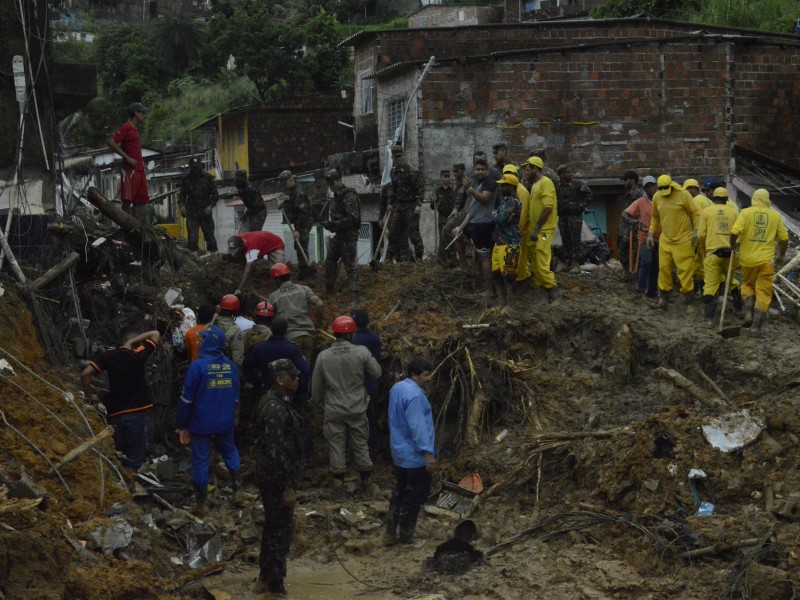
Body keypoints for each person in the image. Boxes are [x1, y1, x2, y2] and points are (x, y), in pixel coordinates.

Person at [311, 315, 382, 494]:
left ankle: (338, 484)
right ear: (351, 334)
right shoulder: (362, 352)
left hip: (334, 408)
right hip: (357, 407)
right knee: (360, 443)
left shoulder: (323, 356)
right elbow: (377, 374)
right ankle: (366, 481)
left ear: (334, 334)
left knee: (336, 444)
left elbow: (316, 387)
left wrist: (316, 403)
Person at [252, 359, 304, 596]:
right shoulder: (274, 407)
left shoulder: (278, 402)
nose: (297, 380)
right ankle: (275, 585)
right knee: (280, 532)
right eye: (293, 377)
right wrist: (288, 487)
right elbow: (276, 450)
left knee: (273, 527)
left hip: (273, 475)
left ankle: (265, 578)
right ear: (280, 380)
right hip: (276, 478)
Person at [175, 326, 240, 516]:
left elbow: (186, 399)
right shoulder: (231, 366)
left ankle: (201, 503)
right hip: (225, 422)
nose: (201, 341)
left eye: (204, 339)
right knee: (230, 451)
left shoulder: (198, 366)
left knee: (200, 460)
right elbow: (236, 397)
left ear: (209, 342)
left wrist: (182, 425)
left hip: (201, 423)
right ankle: (238, 491)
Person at [80, 328, 160, 476]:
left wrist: (89, 397)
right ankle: (128, 492)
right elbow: (155, 333)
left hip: (115, 416)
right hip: (137, 416)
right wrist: (132, 342)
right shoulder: (138, 354)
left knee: (116, 459)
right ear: (136, 344)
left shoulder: (108, 356)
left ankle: (117, 489)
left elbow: (85, 374)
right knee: (132, 461)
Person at [385, 356, 436, 546]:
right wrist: (428, 453)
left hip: (399, 452)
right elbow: (418, 426)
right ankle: (406, 538)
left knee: (399, 493)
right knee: (413, 498)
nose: (429, 378)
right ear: (414, 375)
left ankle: (390, 533)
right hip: (415, 456)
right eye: (426, 374)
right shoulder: (415, 396)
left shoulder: (397, 388)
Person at [730, 188, 789, 334]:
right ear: (767, 200)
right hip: (766, 261)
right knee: (763, 292)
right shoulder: (775, 215)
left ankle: (748, 312)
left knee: (747, 285)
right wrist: (781, 255)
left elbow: (734, 232)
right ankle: (756, 328)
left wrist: (731, 246)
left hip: (748, 260)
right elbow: (784, 238)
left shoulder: (745, 213)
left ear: (754, 199)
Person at [647, 174, 700, 310]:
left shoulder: (683, 195)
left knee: (685, 271)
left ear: (671, 185)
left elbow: (695, 213)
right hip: (666, 240)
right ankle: (663, 300)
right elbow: (654, 218)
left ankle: (688, 301)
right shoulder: (657, 197)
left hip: (683, 240)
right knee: (664, 270)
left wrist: (696, 231)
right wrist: (650, 234)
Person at [452, 156, 497, 297]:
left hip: (483, 225)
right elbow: (472, 211)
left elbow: (484, 200)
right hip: (474, 223)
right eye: (477, 169)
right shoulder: (478, 184)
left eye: (483, 170)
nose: (480, 172)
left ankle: (489, 290)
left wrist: (469, 189)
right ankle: (464, 267)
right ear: (473, 170)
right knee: (455, 232)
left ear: (487, 171)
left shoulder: (489, 183)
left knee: (484, 256)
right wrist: (461, 228)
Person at [697, 187, 743, 325]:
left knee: (710, 286)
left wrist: (704, 249)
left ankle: (709, 320)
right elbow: (738, 235)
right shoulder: (734, 213)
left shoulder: (706, 212)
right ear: (726, 199)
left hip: (712, 253)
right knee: (732, 281)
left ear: (713, 198)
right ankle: (740, 309)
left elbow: (700, 235)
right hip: (730, 254)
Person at [267, 262, 323, 364]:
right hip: (308, 336)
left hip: (290, 338)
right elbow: (320, 304)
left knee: (292, 371)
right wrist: (318, 323)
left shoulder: (274, 296)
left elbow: (271, 319)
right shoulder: (304, 289)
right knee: (306, 369)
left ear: (278, 280)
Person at [323, 169, 361, 301]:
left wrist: (335, 224)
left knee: (349, 265)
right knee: (330, 260)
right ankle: (329, 289)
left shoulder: (348, 195)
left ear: (339, 180)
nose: (331, 187)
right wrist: (331, 224)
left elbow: (353, 219)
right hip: (339, 235)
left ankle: (354, 294)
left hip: (349, 236)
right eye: (329, 184)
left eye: (333, 183)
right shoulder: (337, 197)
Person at [526, 156, 561, 302]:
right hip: (537, 229)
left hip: (544, 229)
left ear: (535, 168)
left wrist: (537, 228)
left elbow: (548, 207)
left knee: (541, 258)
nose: (526, 171)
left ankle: (553, 289)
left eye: (528, 168)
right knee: (534, 257)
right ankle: (542, 287)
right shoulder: (535, 184)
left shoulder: (545, 183)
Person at [108, 102, 149, 219]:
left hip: (139, 169)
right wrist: (127, 158)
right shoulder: (126, 127)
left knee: (138, 201)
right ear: (136, 113)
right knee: (127, 200)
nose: (144, 115)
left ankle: (138, 229)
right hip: (130, 169)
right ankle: (126, 227)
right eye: (143, 113)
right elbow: (111, 142)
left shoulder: (135, 130)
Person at [386, 146, 425, 262]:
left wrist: (418, 204)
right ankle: (388, 259)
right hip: (399, 206)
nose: (398, 159)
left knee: (414, 234)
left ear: (403, 156)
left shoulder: (412, 171)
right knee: (393, 233)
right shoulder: (393, 172)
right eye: (395, 157)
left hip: (411, 205)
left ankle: (419, 258)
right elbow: (392, 188)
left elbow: (420, 189)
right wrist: (390, 202)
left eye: (399, 156)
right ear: (392, 157)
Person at [352, 310, 382, 458]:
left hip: (357, 385)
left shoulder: (353, 340)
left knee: (358, 420)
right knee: (371, 417)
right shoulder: (375, 337)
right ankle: (373, 448)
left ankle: (360, 452)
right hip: (372, 383)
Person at [623, 176, 659, 298]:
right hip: (645, 237)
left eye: (652, 186)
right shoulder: (640, 202)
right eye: (647, 187)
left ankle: (652, 291)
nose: (650, 189)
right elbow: (626, 213)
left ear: (656, 186)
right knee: (646, 261)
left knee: (656, 264)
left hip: (661, 237)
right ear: (644, 188)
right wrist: (632, 221)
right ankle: (641, 288)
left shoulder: (662, 200)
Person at [278, 170, 316, 278]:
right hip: (298, 220)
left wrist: (298, 230)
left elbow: (303, 213)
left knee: (301, 242)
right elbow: (290, 201)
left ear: (290, 180)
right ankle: (303, 267)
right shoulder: (291, 190)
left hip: (304, 220)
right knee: (298, 244)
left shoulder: (299, 193)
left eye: (284, 184)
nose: (284, 187)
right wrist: (283, 203)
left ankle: (305, 271)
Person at [492, 173, 522, 309]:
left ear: (511, 187)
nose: (501, 187)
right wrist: (496, 215)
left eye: (504, 185)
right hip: (499, 243)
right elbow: (498, 216)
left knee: (509, 276)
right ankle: (502, 303)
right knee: (497, 273)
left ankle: (510, 305)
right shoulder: (504, 201)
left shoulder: (514, 202)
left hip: (511, 244)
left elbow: (500, 218)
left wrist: (495, 215)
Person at [178, 157, 219, 255]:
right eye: (193, 168)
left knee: (210, 237)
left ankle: (214, 258)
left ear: (201, 167)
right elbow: (182, 196)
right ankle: (194, 260)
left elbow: (215, 195)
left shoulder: (208, 178)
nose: (195, 170)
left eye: (197, 167)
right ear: (190, 168)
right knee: (192, 238)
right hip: (192, 213)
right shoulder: (186, 179)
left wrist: (210, 206)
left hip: (205, 212)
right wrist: (182, 206)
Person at [556, 164, 592, 273]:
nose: (570, 174)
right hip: (563, 216)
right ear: (562, 175)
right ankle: (567, 262)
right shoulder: (557, 186)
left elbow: (589, 195)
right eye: (567, 172)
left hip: (574, 217)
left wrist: (580, 206)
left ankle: (576, 263)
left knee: (575, 241)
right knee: (565, 240)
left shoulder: (577, 184)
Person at [684, 178, 713, 295]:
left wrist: (695, 237)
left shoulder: (695, 201)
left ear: (692, 189)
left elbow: (699, 221)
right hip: (710, 237)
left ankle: (702, 291)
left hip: (701, 238)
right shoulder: (706, 200)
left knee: (699, 265)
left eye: (687, 190)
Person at [440, 162, 469, 268]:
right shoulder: (456, 184)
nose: (454, 174)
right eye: (453, 171)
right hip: (455, 213)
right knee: (447, 233)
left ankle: (456, 262)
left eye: (456, 171)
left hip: (465, 214)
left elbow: (462, 199)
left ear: (463, 170)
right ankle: (450, 261)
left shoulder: (466, 183)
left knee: (448, 231)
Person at [618, 170, 644, 275]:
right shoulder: (630, 193)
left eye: (626, 180)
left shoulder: (636, 194)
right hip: (628, 229)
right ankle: (629, 272)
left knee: (630, 252)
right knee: (624, 252)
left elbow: (638, 212)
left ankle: (631, 273)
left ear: (632, 181)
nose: (624, 182)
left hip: (634, 229)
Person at [430, 170, 455, 261]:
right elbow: (433, 207)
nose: (446, 179)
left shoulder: (453, 189)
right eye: (444, 177)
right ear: (441, 178)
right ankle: (443, 259)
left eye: (448, 177)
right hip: (442, 218)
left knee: (452, 237)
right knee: (442, 238)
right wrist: (433, 200)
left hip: (452, 217)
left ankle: (452, 258)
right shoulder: (437, 190)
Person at [216, 294, 245, 368]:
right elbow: (237, 360)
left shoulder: (211, 324)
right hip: (224, 368)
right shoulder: (235, 329)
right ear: (236, 311)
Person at [234, 169, 267, 233]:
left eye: (238, 180)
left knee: (255, 231)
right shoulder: (241, 188)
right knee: (251, 231)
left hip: (259, 210)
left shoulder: (250, 189)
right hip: (252, 209)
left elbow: (255, 205)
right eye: (236, 180)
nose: (236, 182)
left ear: (244, 179)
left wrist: (245, 216)